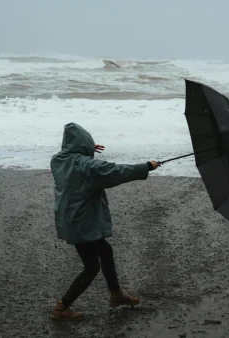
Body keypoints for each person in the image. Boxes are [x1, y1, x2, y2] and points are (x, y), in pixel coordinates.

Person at [49, 122, 159, 320]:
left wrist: (87, 149)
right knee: (91, 266)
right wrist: (146, 167)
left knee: (105, 250)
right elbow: (115, 171)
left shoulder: (58, 160)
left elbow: (76, 159)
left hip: (71, 218)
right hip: (81, 222)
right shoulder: (86, 166)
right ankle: (62, 306)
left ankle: (116, 294)